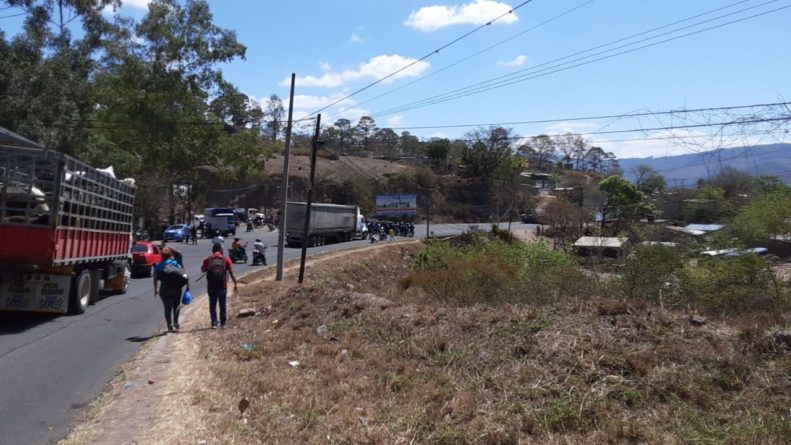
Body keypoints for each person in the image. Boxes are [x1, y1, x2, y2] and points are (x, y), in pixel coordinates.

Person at [201, 243, 238, 329]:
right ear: (221, 250)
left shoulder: (208, 259)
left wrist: (207, 268)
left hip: (211, 286)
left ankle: (214, 323)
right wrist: (235, 284)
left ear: (213, 250)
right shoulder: (226, 259)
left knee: (212, 305)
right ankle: (223, 323)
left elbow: (203, 270)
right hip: (222, 286)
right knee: (222, 305)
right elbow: (231, 272)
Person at [153, 246, 187, 333]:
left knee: (167, 308)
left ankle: (169, 326)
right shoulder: (175, 263)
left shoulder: (159, 265)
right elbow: (182, 272)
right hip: (176, 288)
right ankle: (176, 323)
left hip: (164, 289)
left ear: (162, 255)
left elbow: (155, 278)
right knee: (176, 305)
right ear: (170, 255)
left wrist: (156, 289)